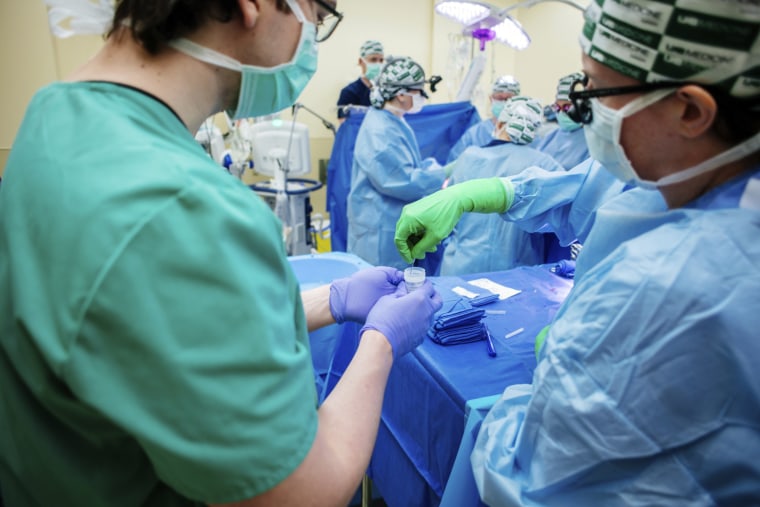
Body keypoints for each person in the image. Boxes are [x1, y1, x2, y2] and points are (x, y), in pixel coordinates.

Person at [0, 1, 445, 506]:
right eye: (316, 17)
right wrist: (381, 344)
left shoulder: (56, 113)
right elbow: (298, 492)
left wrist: (331, 300)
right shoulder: (182, 206)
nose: (312, 40)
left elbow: (153, 333)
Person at [395, 0, 760, 504]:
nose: (581, 110)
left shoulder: (670, 286)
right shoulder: (684, 172)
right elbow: (584, 188)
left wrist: (565, 363)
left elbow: (533, 479)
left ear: (691, 110)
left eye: (596, 92)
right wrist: (473, 193)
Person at [440, 96, 565, 276]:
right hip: (514, 275)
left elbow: (446, 215)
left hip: (461, 267)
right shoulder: (547, 166)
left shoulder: (469, 157)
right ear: (534, 131)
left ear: (499, 124)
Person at [347, 56, 448, 270]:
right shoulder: (380, 130)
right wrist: (444, 173)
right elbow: (401, 181)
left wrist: (429, 167)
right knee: (381, 288)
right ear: (401, 94)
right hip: (379, 227)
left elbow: (406, 162)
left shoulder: (393, 119)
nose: (422, 97)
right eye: (418, 91)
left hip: (388, 220)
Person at [446, 74, 521, 162]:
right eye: (500, 98)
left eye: (509, 99)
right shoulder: (475, 135)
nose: (505, 103)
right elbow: (455, 165)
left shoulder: (523, 134)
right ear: (491, 98)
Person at [533, 72, 590, 170]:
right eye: (557, 107)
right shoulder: (551, 137)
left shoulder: (593, 141)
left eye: (567, 107)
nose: (562, 112)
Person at [336, 39, 384, 121]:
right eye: (373, 60)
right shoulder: (349, 92)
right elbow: (346, 126)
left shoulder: (386, 91)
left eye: (381, 60)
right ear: (361, 61)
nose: (378, 64)